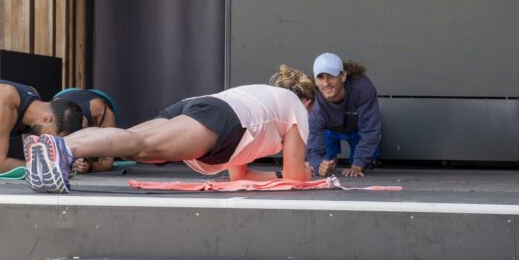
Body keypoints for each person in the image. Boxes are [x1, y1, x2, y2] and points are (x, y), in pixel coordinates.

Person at [24, 65, 316, 193]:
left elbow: (238, 175)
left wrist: (277, 175)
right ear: (308, 102)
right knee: (141, 145)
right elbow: (296, 178)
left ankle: (56, 150)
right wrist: (305, 173)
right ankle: (63, 148)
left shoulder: (266, 101)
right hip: (221, 119)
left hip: (206, 108)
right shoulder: (297, 109)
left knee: (135, 141)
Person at [307, 52, 382, 177]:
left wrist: (358, 164)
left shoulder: (362, 88)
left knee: (364, 163)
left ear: (343, 75)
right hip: (329, 132)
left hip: (357, 130)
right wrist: (319, 165)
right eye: (320, 77)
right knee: (324, 166)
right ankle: (333, 157)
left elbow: (370, 131)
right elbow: (313, 145)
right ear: (315, 80)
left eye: (331, 76)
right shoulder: (315, 102)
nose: (326, 83)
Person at [52, 87, 118, 173]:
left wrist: (90, 166)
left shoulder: (103, 114)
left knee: (104, 147)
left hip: (100, 98)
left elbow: (107, 163)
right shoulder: (53, 114)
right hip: (62, 95)